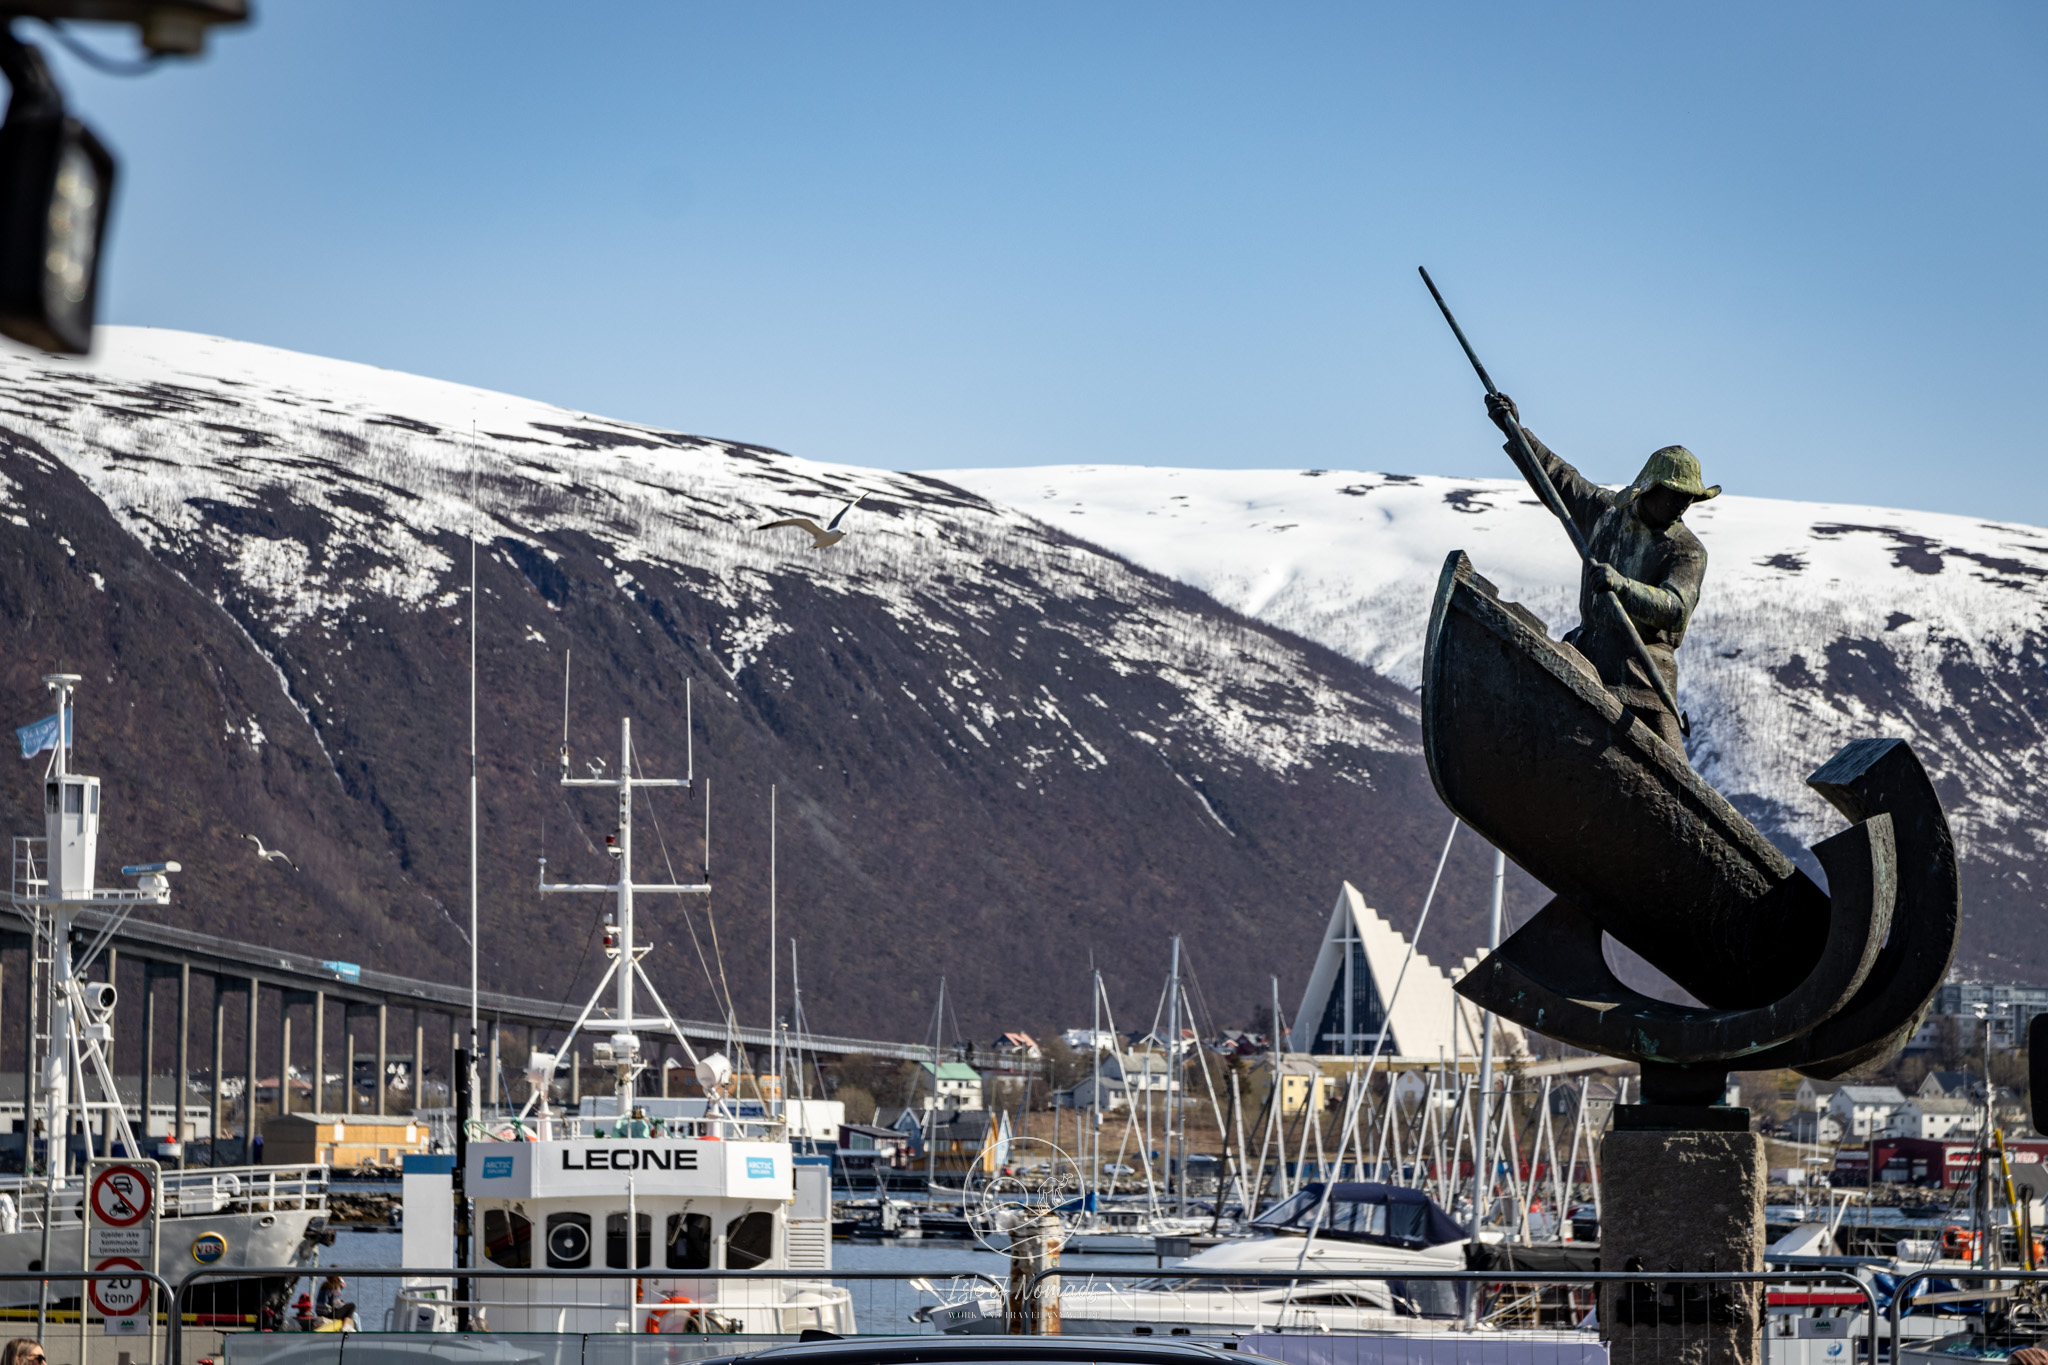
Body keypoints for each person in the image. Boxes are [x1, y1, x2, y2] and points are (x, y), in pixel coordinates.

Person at [1486, 392, 1718, 753]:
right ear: (1651, 486)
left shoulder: (1687, 550)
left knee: (1674, 776)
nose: (1682, 503)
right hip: (1587, 658)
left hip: (1646, 680)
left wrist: (1622, 586)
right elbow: (1558, 478)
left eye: (1689, 497)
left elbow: (1676, 609)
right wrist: (1515, 430)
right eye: (1675, 494)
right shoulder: (1605, 513)